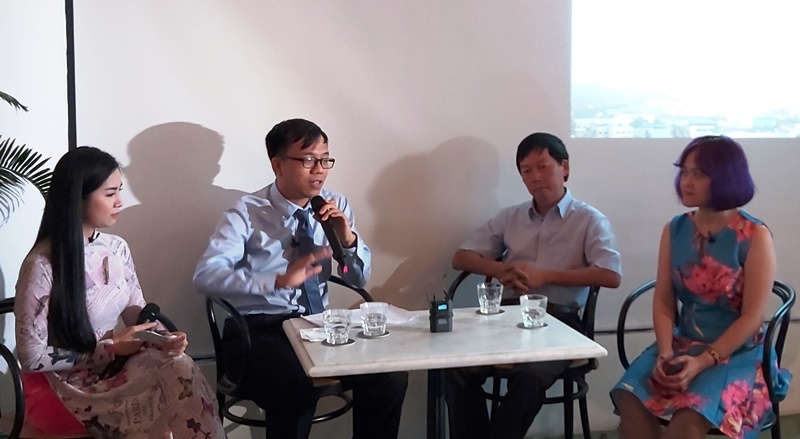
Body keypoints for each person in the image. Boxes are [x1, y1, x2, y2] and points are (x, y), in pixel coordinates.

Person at [193, 118, 408, 439]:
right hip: (258, 331)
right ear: (277, 164)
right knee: (296, 382)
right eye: (308, 160)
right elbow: (205, 276)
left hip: (318, 327)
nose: (319, 170)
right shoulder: (246, 212)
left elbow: (357, 278)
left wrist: (348, 240)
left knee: (388, 374)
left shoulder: (335, 205)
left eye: (325, 160)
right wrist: (277, 280)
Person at [14, 146, 224, 438]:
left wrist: (163, 338)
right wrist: (108, 347)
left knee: (176, 364)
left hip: (111, 367)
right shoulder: (41, 264)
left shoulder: (116, 248)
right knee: (170, 384)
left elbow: (136, 311)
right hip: (64, 383)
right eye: (110, 194)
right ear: (78, 197)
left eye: (119, 191)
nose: (120, 202)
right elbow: (31, 356)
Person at [611, 135, 792, 439]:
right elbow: (664, 300)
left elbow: (752, 319)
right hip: (683, 344)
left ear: (725, 178)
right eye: (684, 172)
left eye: (698, 174)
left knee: (688, 419)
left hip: (739, 354)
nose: (686, 181)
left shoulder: (754, 235)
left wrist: (702, 361)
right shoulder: (675, 228)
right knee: (627, 396)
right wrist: (665, 352)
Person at [444, 132, 622, 439]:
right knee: (455, 366)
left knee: (528, 376)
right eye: (527, 171)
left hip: (559, 322)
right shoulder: (511, 217)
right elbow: (461, 257)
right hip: (505, 318)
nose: (536, 177)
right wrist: (500, 269)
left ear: (564, 167)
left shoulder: (589, 219)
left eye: (543, 167)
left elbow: (610, 275)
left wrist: (546, 276)